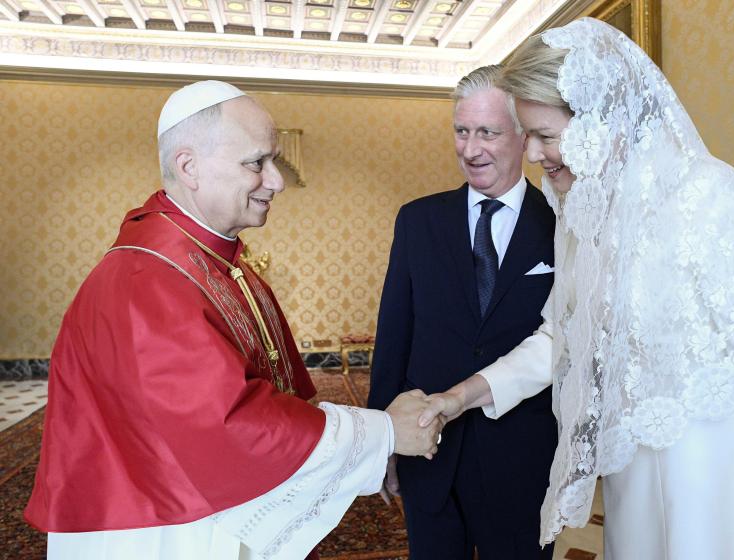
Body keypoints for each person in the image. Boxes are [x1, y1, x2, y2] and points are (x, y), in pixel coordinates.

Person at [420, 18, 734, 560]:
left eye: (546, 135)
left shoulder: (713, 201)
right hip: (631, 483)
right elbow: (562, 338)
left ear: (603, 120)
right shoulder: (587, 214)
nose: (536, 155)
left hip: (715, 491)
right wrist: (460, 396)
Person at [24, 80, 444, 560]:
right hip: (160, 530)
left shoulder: (214, 261)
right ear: (189, 167)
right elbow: (230, 424)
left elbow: (280, 397)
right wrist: (384, 432)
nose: (277, 180)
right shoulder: (148, 280)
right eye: (256, 163)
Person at [367, 65, 558, 559]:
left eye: (488, 133)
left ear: (523, 137)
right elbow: (394, 338)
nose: (471, 149)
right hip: (429, 455)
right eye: (461, 131)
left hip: (524, 462)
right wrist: (383, 440)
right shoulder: (417, 220)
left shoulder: (563, 225)